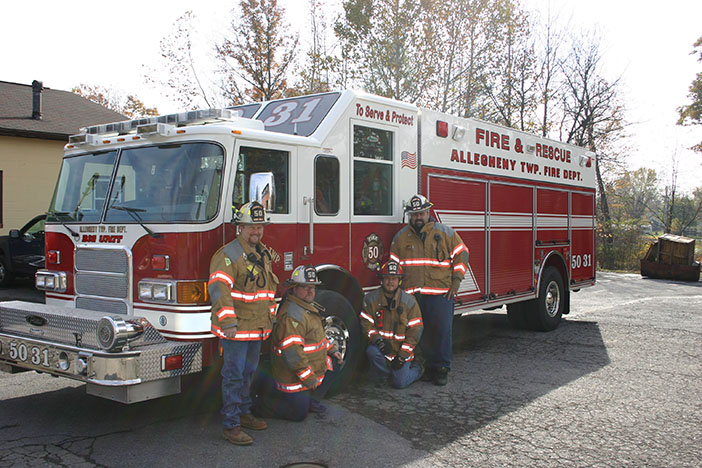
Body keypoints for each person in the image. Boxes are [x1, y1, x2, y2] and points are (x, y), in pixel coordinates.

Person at [208, 201, 279, 446]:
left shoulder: (263, 253)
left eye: (260, 227)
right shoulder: (228, 255)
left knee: (249, 373)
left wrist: (269, 322)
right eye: (251, 226)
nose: (256, 232)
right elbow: (219, 289)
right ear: (239, 227)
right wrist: (228, 322)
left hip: (256, 327)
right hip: (235, 329)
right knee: (234, 375)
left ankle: (244, 413)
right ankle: (231, 425)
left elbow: (267, 290)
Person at [389, 194, 469, 386]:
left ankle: (441, 369)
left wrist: (456, 282)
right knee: (419, 333)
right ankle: (426, 367)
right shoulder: (400, 238)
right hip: (412, 297)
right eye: (414, 214)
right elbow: (394, 267)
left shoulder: (445, 233)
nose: (418, 217)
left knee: (441, 332)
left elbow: (462, 253)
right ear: (410, 215)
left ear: (428, 212)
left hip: (440, 294)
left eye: (422, 213)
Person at [253, 265, 343, 421]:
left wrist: (331, 350)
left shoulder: (307, 307)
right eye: (305, 287)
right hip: (292, 376)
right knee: (298, 413)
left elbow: (317, 338)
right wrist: (309, 379)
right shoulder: (293, 316)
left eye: (313, 287)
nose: (310, 291)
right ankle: (255, 404)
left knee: (335, 361)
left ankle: (308, 399)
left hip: (306, 369)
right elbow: (293, 354)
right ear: (294, 288)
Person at [360, 260, 424, 389]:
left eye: (394, 278)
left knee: (399, 383)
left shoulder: (410, 302)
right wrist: (378, 340)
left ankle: (418, 369)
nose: (390, 282)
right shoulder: (371, 299)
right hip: (383, 349)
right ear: (382, 280)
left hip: (402, 351)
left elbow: (415, 331)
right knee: (371, 351)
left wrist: (402, 356)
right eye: (387, 278)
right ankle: (385, 375)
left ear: (399, 280)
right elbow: (366, 324)